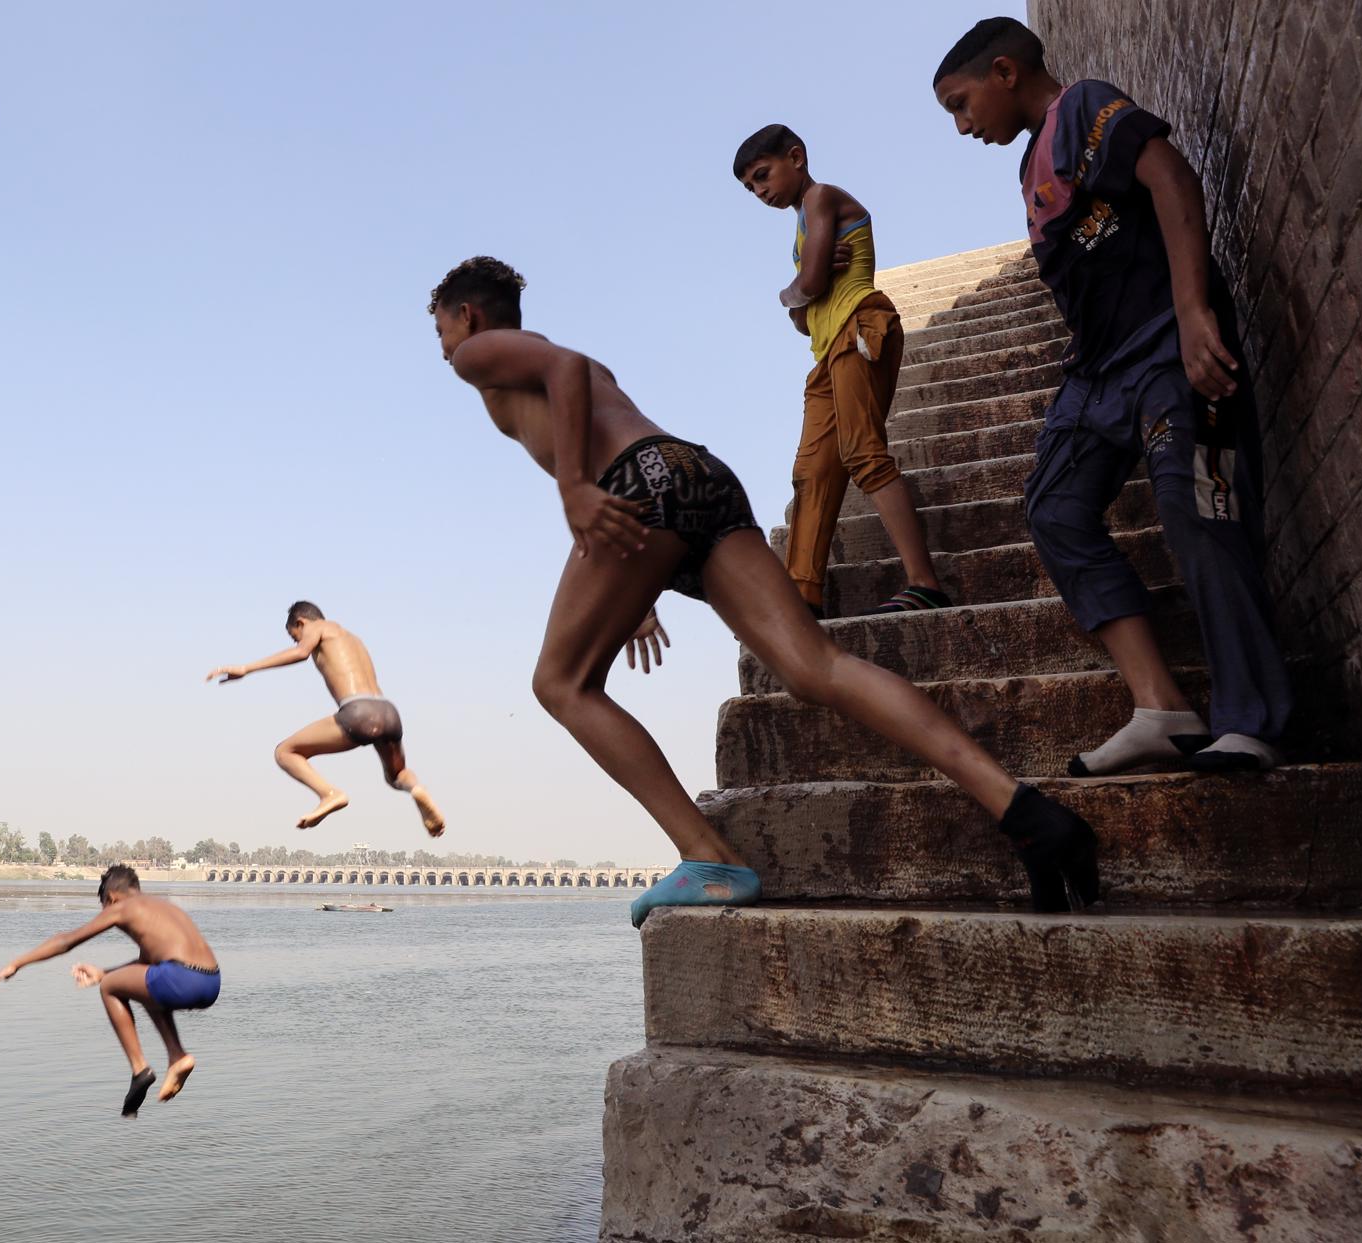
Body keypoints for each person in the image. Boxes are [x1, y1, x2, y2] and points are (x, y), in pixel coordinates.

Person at [427, 254, 1100, 923]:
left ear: (470, 314)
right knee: (818, 667)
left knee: (560, 683)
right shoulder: (540, 363)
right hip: (694, 476)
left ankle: (707, 855)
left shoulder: (479, 355)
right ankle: (1025, 811)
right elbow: (586, 396)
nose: (444, 348)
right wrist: (634, 591)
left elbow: (565, 375)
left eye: (441, 331)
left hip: (640, 483)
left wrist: (575, 487)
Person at [932, 17, 1292, 774]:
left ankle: (1249, 718)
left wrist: (1195, 312)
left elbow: (1170, 177)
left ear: (1005, 71)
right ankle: (1161, 705)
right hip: (1095, 376)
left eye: (961, 105)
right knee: (1054, 510)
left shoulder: (1084, 107)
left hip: (1166, 341)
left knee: (1198, 505)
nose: (962, 127)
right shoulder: (1029, 165)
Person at [733, 123, 948, 617]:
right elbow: (803, 321)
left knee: (863, 454)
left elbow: (805, 289)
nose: (760, 191)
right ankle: (801, 596)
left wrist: (793, 288)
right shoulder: (802, 227)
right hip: (827, 350)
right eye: (750, 187)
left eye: (763, 175)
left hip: (859, 327)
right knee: (811, 471)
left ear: (796, 157)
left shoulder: (821, 197)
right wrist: (801, 291)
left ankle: (925, 582)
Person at [0, 865, 219, 1117]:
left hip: (180, 978)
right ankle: (177, 1056)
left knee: (109, 989)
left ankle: (140, 1070)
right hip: (210, 982)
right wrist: (104, 972)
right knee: (141, 985)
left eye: (105, 906)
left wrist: (16, 964)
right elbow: (146, 968)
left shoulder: (121, 906)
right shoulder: (163, 908)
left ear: (111, 898)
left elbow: (66, 941)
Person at [207, 602, 445, 835]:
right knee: (396, 776)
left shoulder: (317, 627)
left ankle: (329, 794)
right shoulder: (352, 638)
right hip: (388, 712)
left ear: (300, 622)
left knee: (285, 752)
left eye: (295, 635)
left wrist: (247, 668)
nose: (299, 640)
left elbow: (301, 653)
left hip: (358, 711)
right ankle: (417, 789)